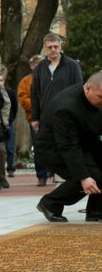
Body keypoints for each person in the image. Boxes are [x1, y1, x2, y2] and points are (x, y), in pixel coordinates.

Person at [34, 72, 102, 222]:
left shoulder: (95, 97)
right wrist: (84, 177)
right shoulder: (66, 107)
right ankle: (50, 203)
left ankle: (96, 211)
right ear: (88, 88)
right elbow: (67, 146)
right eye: (101, 97)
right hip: (52, 149)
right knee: (90, 177)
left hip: (82, 143)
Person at [30, 33, 83, 186]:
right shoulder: (40, 68)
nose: (53, 50)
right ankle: (49, 175)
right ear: (45, 48)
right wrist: (35, 117)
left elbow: (79, 90)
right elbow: (34, 93)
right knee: (45, 148)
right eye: (50, 47)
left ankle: (68, 178)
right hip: (46, 115)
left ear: (61, 46)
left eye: (56, 46)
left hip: (67, 115)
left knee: (66, 146)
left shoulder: (72, 65)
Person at [18, 55, 47, 185]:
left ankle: (54, 171)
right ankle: (41, 175)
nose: (37, 66)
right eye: (34, 64)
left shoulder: (50, 78)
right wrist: (38, 104)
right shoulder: (25, 81)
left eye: (40, 63)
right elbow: (22, 98)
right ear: (31, 66)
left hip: (52, 116)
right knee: (39, 146)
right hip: (35, 118)